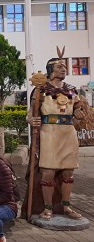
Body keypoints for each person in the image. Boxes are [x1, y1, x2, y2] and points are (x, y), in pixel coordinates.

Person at [26, 55, 84, 220]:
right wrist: (32, 120)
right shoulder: (40, 90)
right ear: (50, 70)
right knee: (48, 173)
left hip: (68, 132)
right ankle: (48, 208)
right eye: (59, 67)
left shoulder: (72, 90)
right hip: (49, 133)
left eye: (64, 67)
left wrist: (79, 115)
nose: (63, 69)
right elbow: (30, 114)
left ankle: (66, 207)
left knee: (68, 172)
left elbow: (79, 113)